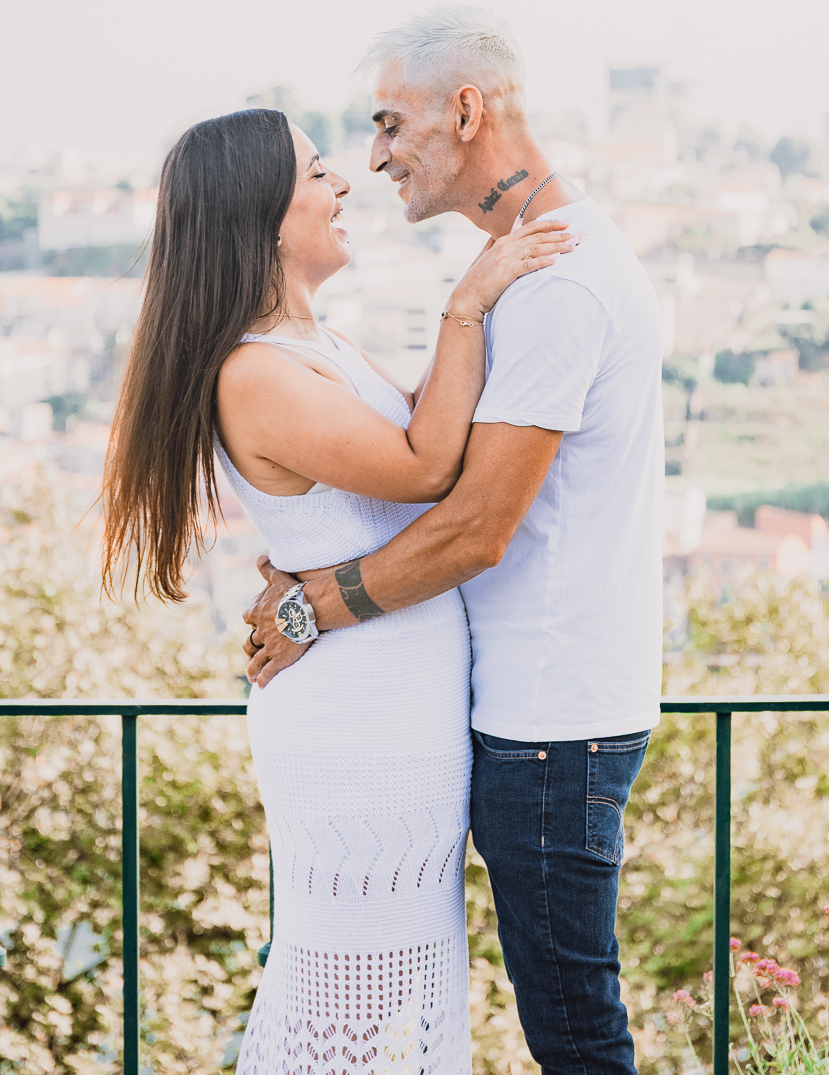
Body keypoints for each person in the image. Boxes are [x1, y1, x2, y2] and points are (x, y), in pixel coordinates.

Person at [100, 104, 578, 1075]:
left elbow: (416, 448)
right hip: (358, 726)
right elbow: (426, 465)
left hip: (397, 709)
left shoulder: (315, 345)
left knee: (393, 997)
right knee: (353, 1001)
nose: (344, 182)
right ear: (264, 218)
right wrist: (466, 305)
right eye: (317, 173)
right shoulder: (255, 372)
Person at [246, 7, 665, 1075]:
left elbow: (475, 527)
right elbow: (412, 455)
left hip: (550, 722)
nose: (376, 157)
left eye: (391, 124)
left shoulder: (557, 282)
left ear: (467, 111)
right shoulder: (529, 269)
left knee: (574, 1033)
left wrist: (310, 604)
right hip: (530, 714)